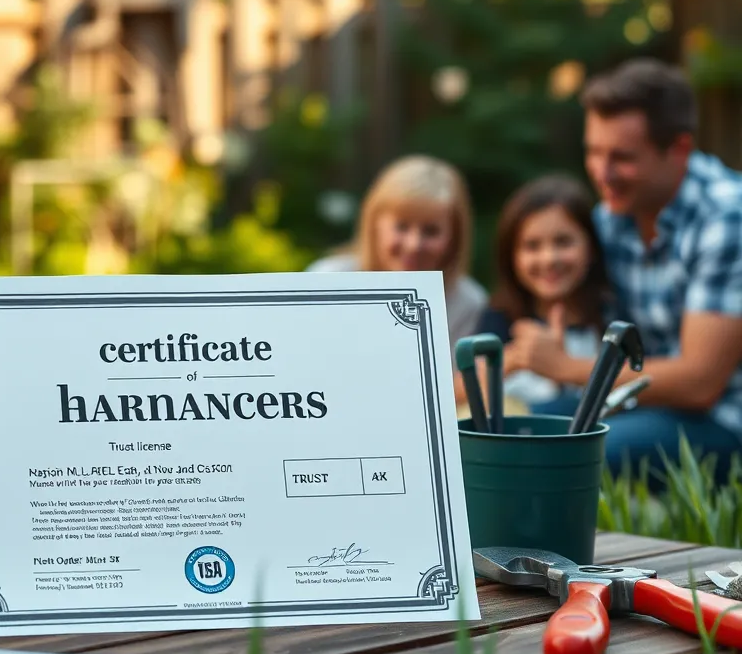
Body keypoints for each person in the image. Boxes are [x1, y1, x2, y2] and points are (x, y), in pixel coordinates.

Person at [505, 57, 742, 481]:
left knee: (562, 459)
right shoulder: (615, 214)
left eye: (622, 157)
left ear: (679, 149)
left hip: (723, 422)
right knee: (504, 433)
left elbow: (700, 383)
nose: (602, 172)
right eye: (593, 152)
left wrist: (567, 368)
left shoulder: (726, 217)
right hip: (638, 402)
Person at [308, 155, 488, 357]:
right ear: (375, 223)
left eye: (431, 231)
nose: (414, 245)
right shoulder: (327, 280)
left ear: (454, 236)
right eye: (401, 227)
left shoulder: (468, 303)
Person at [458, 174, 611, 411]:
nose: (549, 259)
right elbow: (462, 390)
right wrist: (512, 361)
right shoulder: (501, 318)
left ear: (590, 247)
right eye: (532, 246)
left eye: (563, 242)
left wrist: (564, 366)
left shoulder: (610, 313)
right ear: (512, 257)